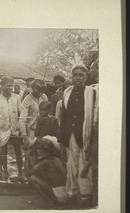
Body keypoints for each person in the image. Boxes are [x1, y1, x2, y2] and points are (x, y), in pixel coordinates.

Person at [60, 64, 97, 207]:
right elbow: (64, 117)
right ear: (72, 77)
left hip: (85, 134)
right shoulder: (67, 92)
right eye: (75, 75)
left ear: (86, 77)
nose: (78, 78)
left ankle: (86, 196)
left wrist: (93, 138)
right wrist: (62, 138)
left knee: (84, 164)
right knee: (71, 164)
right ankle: (72, 194)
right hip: (70, 134)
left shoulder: (92, 93)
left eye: (81, 75)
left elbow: (94, 116)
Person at [0, 76, 23, 179]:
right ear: (2, 86)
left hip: (15, 128)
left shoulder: (17, 97)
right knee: (3, 151)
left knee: (18, 151)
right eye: (8, 85)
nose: (10, 88)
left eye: (11, 86)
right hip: (3, 128)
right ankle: (4, 171)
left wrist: (21, 128)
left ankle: (20, 172)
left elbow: (21, 113)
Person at [27, 136, 68, 208]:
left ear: (46, 151)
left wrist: (28, 156)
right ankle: (53, 202)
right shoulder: (55, 159)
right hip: (64, 193)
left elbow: (28, 173)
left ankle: (50, 202)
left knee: (32, 178)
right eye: (38, 149)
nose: (38, 151)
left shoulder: (45, 162)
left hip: (59, 194)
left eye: (40, 149)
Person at [19, 79, 48, 172]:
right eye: (38, 90)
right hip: (31, 130)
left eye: (42, 91)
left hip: (43, 128)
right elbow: (22, 119)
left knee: (42, 151)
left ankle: (40, 172)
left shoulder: (44, 97)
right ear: (33, 89)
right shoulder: (27, 100)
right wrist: (24, 136)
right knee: (30, 152)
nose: (40, 93)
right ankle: (28, 172)